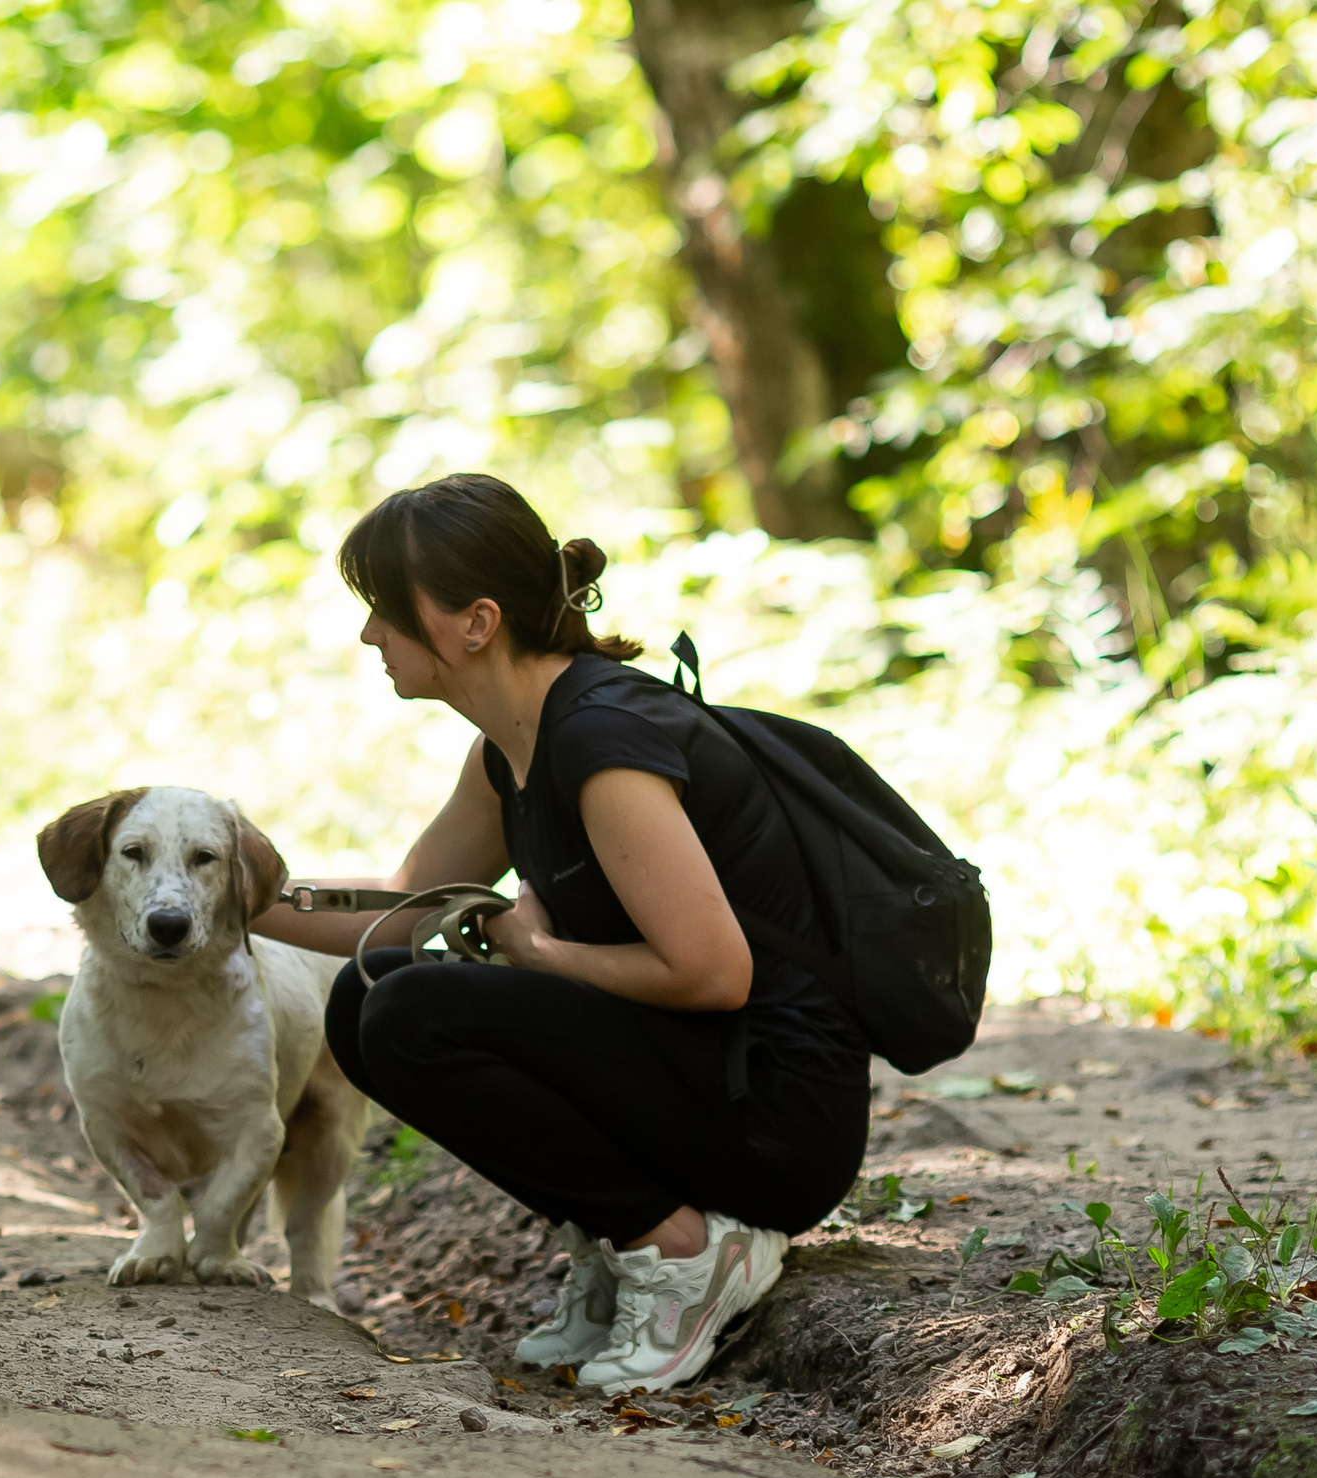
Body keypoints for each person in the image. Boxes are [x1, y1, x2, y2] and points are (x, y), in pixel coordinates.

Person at [250, 473, 872, 1394]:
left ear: (476, 621)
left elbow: (712, 973)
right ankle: (627, 1241)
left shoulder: (602, 741)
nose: (368, 634)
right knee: (375, 992)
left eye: (385, 608)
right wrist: (232, 893)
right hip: (695, 1072)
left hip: (775, 1111)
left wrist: (536, 952)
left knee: (410, 1008)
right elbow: (404, 902)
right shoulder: (513, 745)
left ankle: (684, 1253)